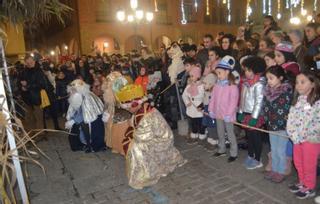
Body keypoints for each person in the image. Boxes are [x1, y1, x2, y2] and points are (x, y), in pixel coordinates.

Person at [118, 84, 186, 189]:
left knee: (135, 148)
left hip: (162, 140)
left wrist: (131, 134)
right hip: (157, 137)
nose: (127, 109)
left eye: (128, 107)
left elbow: (144, 137)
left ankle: (144, 175)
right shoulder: (144, 108)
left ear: (135, 104)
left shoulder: (145, 116)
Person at [287, 71, 320, 199]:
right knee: (298, 162)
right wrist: (292, 133)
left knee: (309, 164)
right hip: (297, 139)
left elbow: (317, 122)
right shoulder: (298, 100)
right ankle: (302, 182)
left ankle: (309, 186)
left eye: (302, 82)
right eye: (297, 82)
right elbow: (291, 118)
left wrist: (306, 135)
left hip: (310, 140)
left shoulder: (317, 103)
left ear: (312, 84)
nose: (298, 85)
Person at [262, 66, 293, 183]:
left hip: (282, 127)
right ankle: (274, 169)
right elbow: (265, 108)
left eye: (271, 78)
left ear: (280, 78)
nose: (268, 81)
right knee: (273, 149)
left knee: (281, 151)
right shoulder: (267, 92)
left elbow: (286, 110)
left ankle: (281, 171)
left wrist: (283, 124)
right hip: (271, 126)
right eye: (267, 78)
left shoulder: (286, 92)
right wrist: (265, 119)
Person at [238, 56, 266, 169]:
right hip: (246, 113)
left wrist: (254, 117)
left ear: (256, 70)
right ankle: (250, 155)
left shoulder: (259, 84)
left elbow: (259, 102)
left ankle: (258, 159)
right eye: (245, 70)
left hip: (255, 115)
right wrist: (240, 112)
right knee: (248, 136)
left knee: (256, 137)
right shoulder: (245, 83)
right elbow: (242, 98)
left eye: (249, 70)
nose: (247, 73)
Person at [209, 60, 239, 162]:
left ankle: (234, 153)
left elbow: (233, 102)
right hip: (218, 114)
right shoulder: (217, 85)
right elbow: (213, 98)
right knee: (220, 132)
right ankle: (221, 149)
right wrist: (211, 110)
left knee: (230, 134)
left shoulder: (232, 86)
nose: (218, 75)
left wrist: (228, 114)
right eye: (217, 73)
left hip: (228, 116)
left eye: (219, 73)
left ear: (227, 72)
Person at [19, 55, 60, 131]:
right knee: (29, 118)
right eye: (27, 63)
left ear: (34, 61)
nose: (29, 64)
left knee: (39, 117)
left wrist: (27, 86)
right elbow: (19, 82)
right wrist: (21, 87)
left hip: (37, 97)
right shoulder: (23, 71)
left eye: (30, 62)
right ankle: (30, 135)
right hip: (27, 98)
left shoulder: (39, 71)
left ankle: (40, 134)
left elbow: (42, 84)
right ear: (25, 63)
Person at [65, 79, 106, 153]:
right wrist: (71, 119)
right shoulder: (77, 96)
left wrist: (74, 120)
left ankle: (89, 145)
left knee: (81, 125)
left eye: (74, 90)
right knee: (75, 129)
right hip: (84, 120)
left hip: (93, 121)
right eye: (72, 90)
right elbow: (75, 110)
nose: (72, 92)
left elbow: (87, 114)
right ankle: (81, 144)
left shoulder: (88, 97)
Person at [182, 65, 205, 144]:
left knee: (200, 122)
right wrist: (187, 102)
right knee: (193, 122)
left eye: (192, 76)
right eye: (190, 76)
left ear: (197, 76)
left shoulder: (202, 86)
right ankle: (194, 134)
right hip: (191, 107)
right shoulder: (189, 86)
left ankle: (202, 134)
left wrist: (202, 105)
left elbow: (205, 97)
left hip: (199, 107)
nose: (191, 78)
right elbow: (184, 95)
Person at [201, 72, 218, 151]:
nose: (204, 85)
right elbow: (205, 101)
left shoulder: (215, 93)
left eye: (205, 84)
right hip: (207, 109)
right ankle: (210, 139)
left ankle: (214, 141)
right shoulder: (207, 91)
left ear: (211, 84)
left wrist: (212, 111)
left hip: (212, 111)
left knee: (213, 125)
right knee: (208, 124)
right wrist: (201, 106)